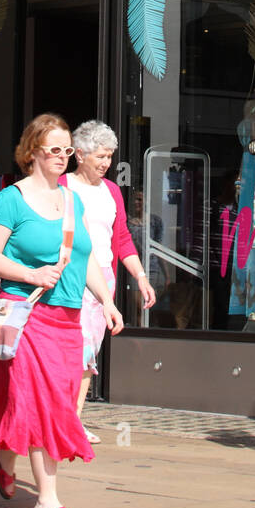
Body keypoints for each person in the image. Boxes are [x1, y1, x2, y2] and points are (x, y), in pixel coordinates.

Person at [0, 114, 123, 508]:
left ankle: (2, 454)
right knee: (47, 401)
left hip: (68, 318)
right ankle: (47, 499)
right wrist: (30, 274)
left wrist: (106, 300)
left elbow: (83, 256)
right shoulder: (11, 199)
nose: (62, 157)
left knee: (29, 398)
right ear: (32, 151)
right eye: (54, 149)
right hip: (29, 313)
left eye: (67, 150)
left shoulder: (71, 199)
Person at [61, 120, 156, 442]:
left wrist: (140, 276)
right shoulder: (62, 187)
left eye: (109, 157)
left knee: (88, 355)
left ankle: (71, 420)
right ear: (80, 155)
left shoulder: (112, 191)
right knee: (70, 353)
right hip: (67, 283)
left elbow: (122, 239)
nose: (106, 163)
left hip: (103, 285)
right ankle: (63, 421)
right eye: (100, 156)